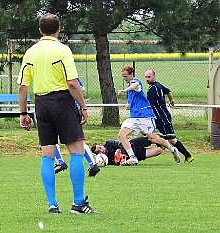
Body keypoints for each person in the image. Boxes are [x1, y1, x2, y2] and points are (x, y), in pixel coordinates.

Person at [17, 13, 99, 214]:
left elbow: (22, 87)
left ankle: (52, 204)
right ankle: (78, 203)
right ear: (59, 29)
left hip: (41, 103)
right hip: (62, 101)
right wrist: (83, 106)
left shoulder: (31, 52)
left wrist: (23, 113)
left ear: (40, 30)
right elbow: (72, 83)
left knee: (47, 154)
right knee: (76, 150)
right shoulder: (62, 50)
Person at [118, 65, 180, 165]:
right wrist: (129, 105)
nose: (124, 78)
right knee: (121, 135)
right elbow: (136, 99)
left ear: (131, 75)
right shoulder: (129, 86)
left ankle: (172, 149)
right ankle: (133, 157)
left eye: (125, 76)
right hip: (134, 117)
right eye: (123, 76)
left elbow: (135, 85)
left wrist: (125, 90)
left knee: (153, 138)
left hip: (145, 116)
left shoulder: (135, 82)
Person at [145, 69, 194, 163]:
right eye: (146, 77)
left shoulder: (153, 89)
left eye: (149, 77)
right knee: (148, 133)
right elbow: (168, 91)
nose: (147, 79)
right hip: (157, 118)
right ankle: (162, 143)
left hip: (162, 117)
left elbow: (149, 104)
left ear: (154, 77)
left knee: (172, 139)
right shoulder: (158, 85)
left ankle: (188, 156)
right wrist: (171, 100)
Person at [54, 78, 100, 177]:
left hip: (64, 109)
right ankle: (92, 165)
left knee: (51, 138)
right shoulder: (68, 71)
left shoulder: (63, 73)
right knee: (78, 140)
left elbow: (78, 87)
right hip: (71, 109)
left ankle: (60, 162)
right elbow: (80, 87)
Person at [91, 136, 164, 166]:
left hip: (133, 144)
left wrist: (123, 154)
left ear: (101, 145)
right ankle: (164, 145)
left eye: (100, 148)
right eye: (99, 152)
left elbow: (121, 143)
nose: (102, 151)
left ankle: (171, 142)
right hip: (137, 155)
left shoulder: (109, 143)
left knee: (153, 138)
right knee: (159, 150)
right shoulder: (106, 160)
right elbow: (118, 163)